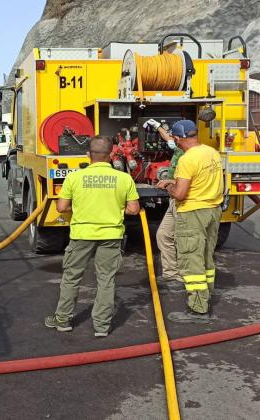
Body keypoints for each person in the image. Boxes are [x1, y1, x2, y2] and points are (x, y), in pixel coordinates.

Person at [45, 137, 140, 337]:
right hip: (111, 235)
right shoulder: (124, 178)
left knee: (71, 278)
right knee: (106, 280)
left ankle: (62, 320)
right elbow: (133, 209)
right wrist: (112, 209)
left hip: (81, 235)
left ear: (88, 154)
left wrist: (80, 207)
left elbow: (61, 207)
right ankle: (102, 327)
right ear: (112, 154)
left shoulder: (74, 177)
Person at [167, 120, 224, 318]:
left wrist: (167, 186)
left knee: (191, 259)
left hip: (192, 213)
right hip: (213, 210)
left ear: (177, 138)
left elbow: (180, 194)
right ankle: (207, 295)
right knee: (206, 255)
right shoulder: (211, 152)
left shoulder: (187, 159)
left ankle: (198, 307)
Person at [143, 119, 185, 288]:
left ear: (180, 139)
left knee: (183, 238)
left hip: (184, 200)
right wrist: (157, 126)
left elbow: (184, 183)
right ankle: (170, 273)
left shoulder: (187, 156)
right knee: (163, 235)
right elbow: (168, 139)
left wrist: (169, 182)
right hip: (174, 199)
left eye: (174, 137)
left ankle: (185, 274)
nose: (171, 139)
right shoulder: (178, 149)